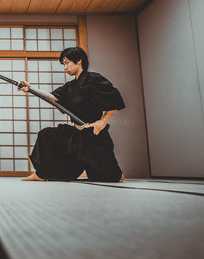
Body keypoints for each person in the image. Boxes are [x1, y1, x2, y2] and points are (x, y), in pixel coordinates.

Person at [19, 47, 125, 182]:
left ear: (79, 61)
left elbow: (114, 100)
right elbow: (52, 96)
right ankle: (41, 174)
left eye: (67, 62)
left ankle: (110, 171)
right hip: (75, 133)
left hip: (92, 134)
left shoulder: (94, 79)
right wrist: (30, 88)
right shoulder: (70, 86)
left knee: (110, 177)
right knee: (46, 134)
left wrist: (103, 121)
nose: (65, 67)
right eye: (63, 64)